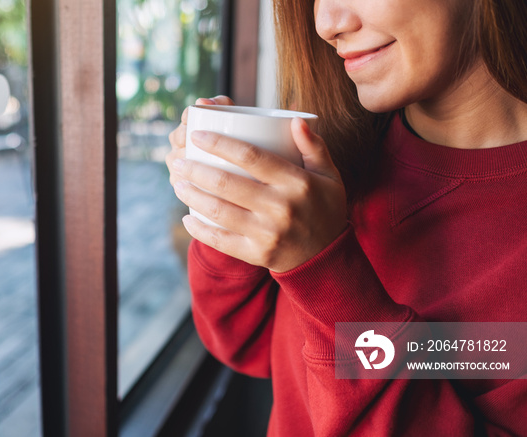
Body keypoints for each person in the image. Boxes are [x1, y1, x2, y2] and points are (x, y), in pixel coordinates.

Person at [166, 0, 527, 435]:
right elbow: (250, 344)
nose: (325, 24)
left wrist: (324, 273)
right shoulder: (336, 154)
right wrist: (233, 204)